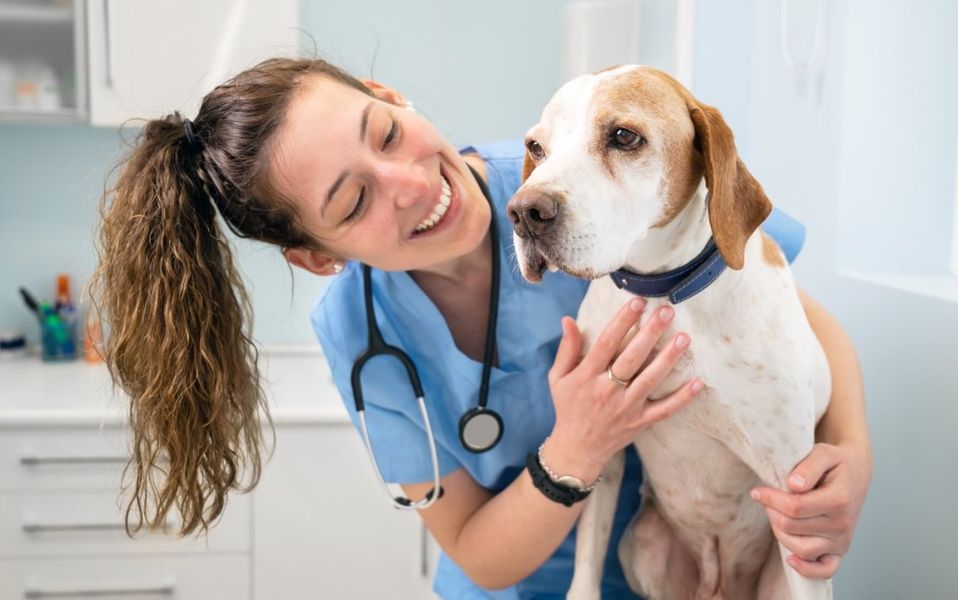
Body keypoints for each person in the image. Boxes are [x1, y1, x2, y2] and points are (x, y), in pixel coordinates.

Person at [93, 57, 872, 599]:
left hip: (645, 572)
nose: (410, 184)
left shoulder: (559, 182)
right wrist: (579, 445)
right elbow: (474, 549)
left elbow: (792, 319)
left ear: (390, 94)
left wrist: (852, 456)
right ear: (316, 258)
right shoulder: (361, 333)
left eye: (386, 133)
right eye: (353, 203)